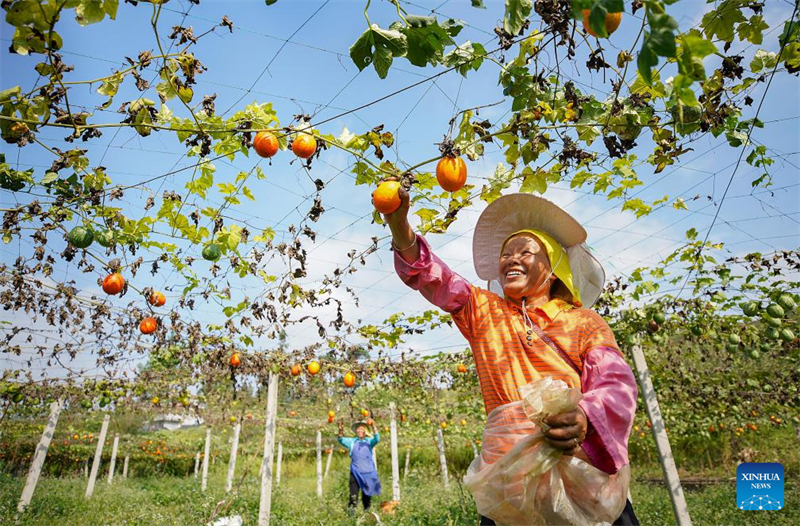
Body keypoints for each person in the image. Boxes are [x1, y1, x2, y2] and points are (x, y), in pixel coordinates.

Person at [383, 190, 640, 525]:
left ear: (552, 269)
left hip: (577, 475)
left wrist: (585, 417)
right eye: (506, 253)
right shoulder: (484, 311)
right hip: (509, 483)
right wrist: (399, 225)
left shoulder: (582, 321)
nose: (511, 258)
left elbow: (615, 383)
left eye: (526, 252)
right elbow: (434, 278)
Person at [337, 419, 382, 514]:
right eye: (358, 429)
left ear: (365, 431)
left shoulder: (369, 442)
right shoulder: (352, 442)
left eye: (362, 429)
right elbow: (340, 439)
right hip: (355, 472)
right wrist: (340, 429)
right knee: (353, 496)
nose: (359, 431)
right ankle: (351, 516)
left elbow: (377, 438)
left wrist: (373, 426)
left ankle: (367, 515)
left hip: (367, 473)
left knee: (366, 497)